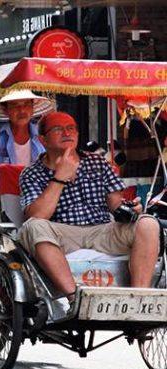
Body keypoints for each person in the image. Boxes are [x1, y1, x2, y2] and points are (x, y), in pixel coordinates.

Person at [18, 111, 160, 303]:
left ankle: (138, 300)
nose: (67, 133)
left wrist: (130, 208)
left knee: (148, 223)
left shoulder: (98, 163)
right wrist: (60, 176)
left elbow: (115, 202)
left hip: (102, 230)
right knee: (34, 226)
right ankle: (74, 298)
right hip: (62, 233)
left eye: (71, 128)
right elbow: (37, 215)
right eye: (58, 129)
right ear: (42, 139)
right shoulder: (32, 173)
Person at [0, 90, 54, 197]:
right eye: (14, 105)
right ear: (6, 110)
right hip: (3, 198)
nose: (22, 110)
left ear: (32, 108)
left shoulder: (44, 136)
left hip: (38, 196)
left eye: (26, 104)